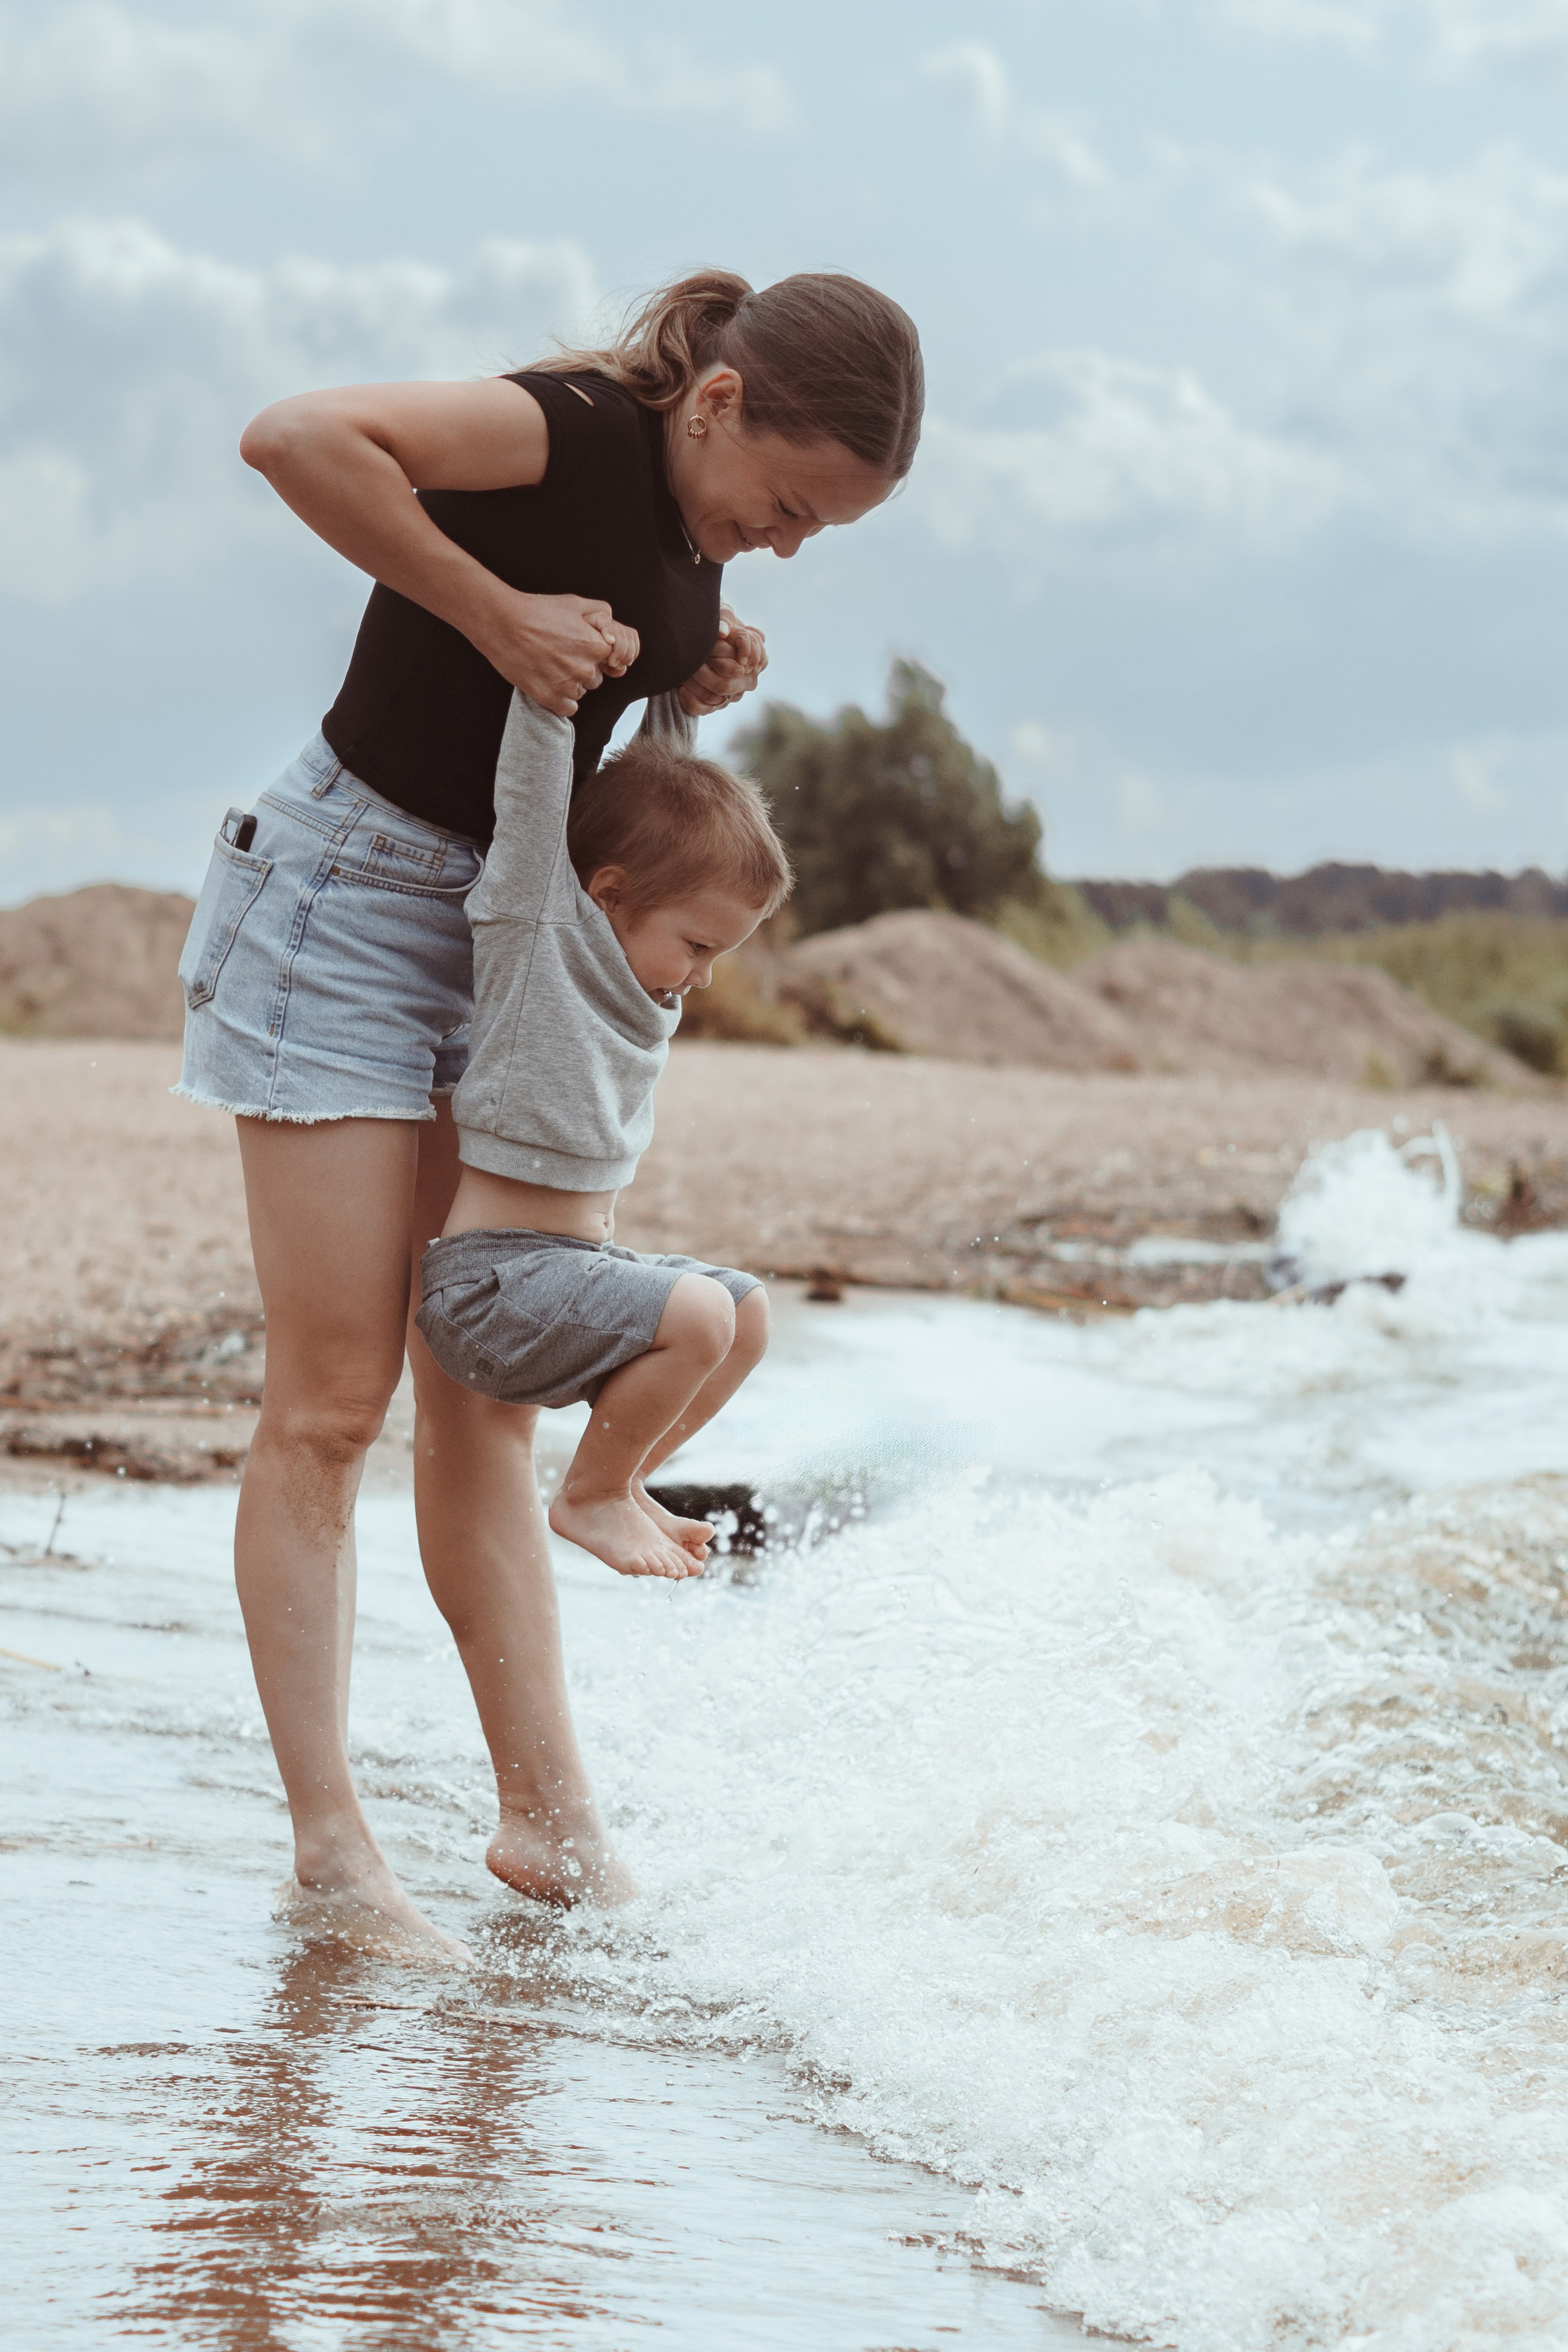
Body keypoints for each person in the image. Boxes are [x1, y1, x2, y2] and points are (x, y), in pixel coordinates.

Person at [176, 267, 923, 1964]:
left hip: (500, 935)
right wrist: (490, 609)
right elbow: (296, 437)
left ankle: (553, 1827)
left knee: (480, 1386)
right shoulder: (572, 427)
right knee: (331, 1403)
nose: (782, 545)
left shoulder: (691, 527)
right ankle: (333, 1857)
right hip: (346, 907)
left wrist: (684, 679)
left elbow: (562, 724)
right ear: (718, 404)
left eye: (813, 533)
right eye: (787, 506)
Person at [417, 692, 792, 1582]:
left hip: (571, 1276)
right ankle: (590, 1493)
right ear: (607, 894)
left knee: (744, 1313)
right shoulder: (539, 931)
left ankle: (621, 1481)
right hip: (489, 1291)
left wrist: (678, 689)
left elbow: (663, 790)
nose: (704, 977)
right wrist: (547, 691)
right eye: (697, 946)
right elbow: (537, 801)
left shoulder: (638, 974)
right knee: (698, 1314)